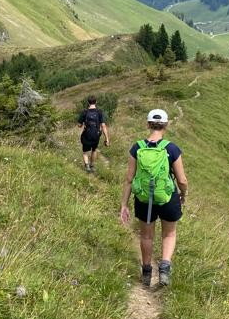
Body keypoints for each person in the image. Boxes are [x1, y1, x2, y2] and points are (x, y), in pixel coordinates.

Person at [120, 108, 188, 287]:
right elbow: (182, 179)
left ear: (148, 124)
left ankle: (147, 272)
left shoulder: (137, 148)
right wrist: (183, 194)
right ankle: (164, 268)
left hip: (144, 199)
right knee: (169, 233)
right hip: (167, 198)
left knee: (146, 236)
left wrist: (124, 205)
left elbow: (129, 178)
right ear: (166, 125)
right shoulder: (171, 148)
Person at [77, 96, 109, 172]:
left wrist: (82, 125)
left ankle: (87, 166)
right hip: (96, 135)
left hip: (86, 135)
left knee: (85, 152)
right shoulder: (99, 112)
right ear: (96, 102)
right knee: (94, 150)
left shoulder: (84, 112)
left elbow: (79, 125)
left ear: (88, 102)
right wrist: (107, 138)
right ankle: (92, 165)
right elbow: (103, 125)